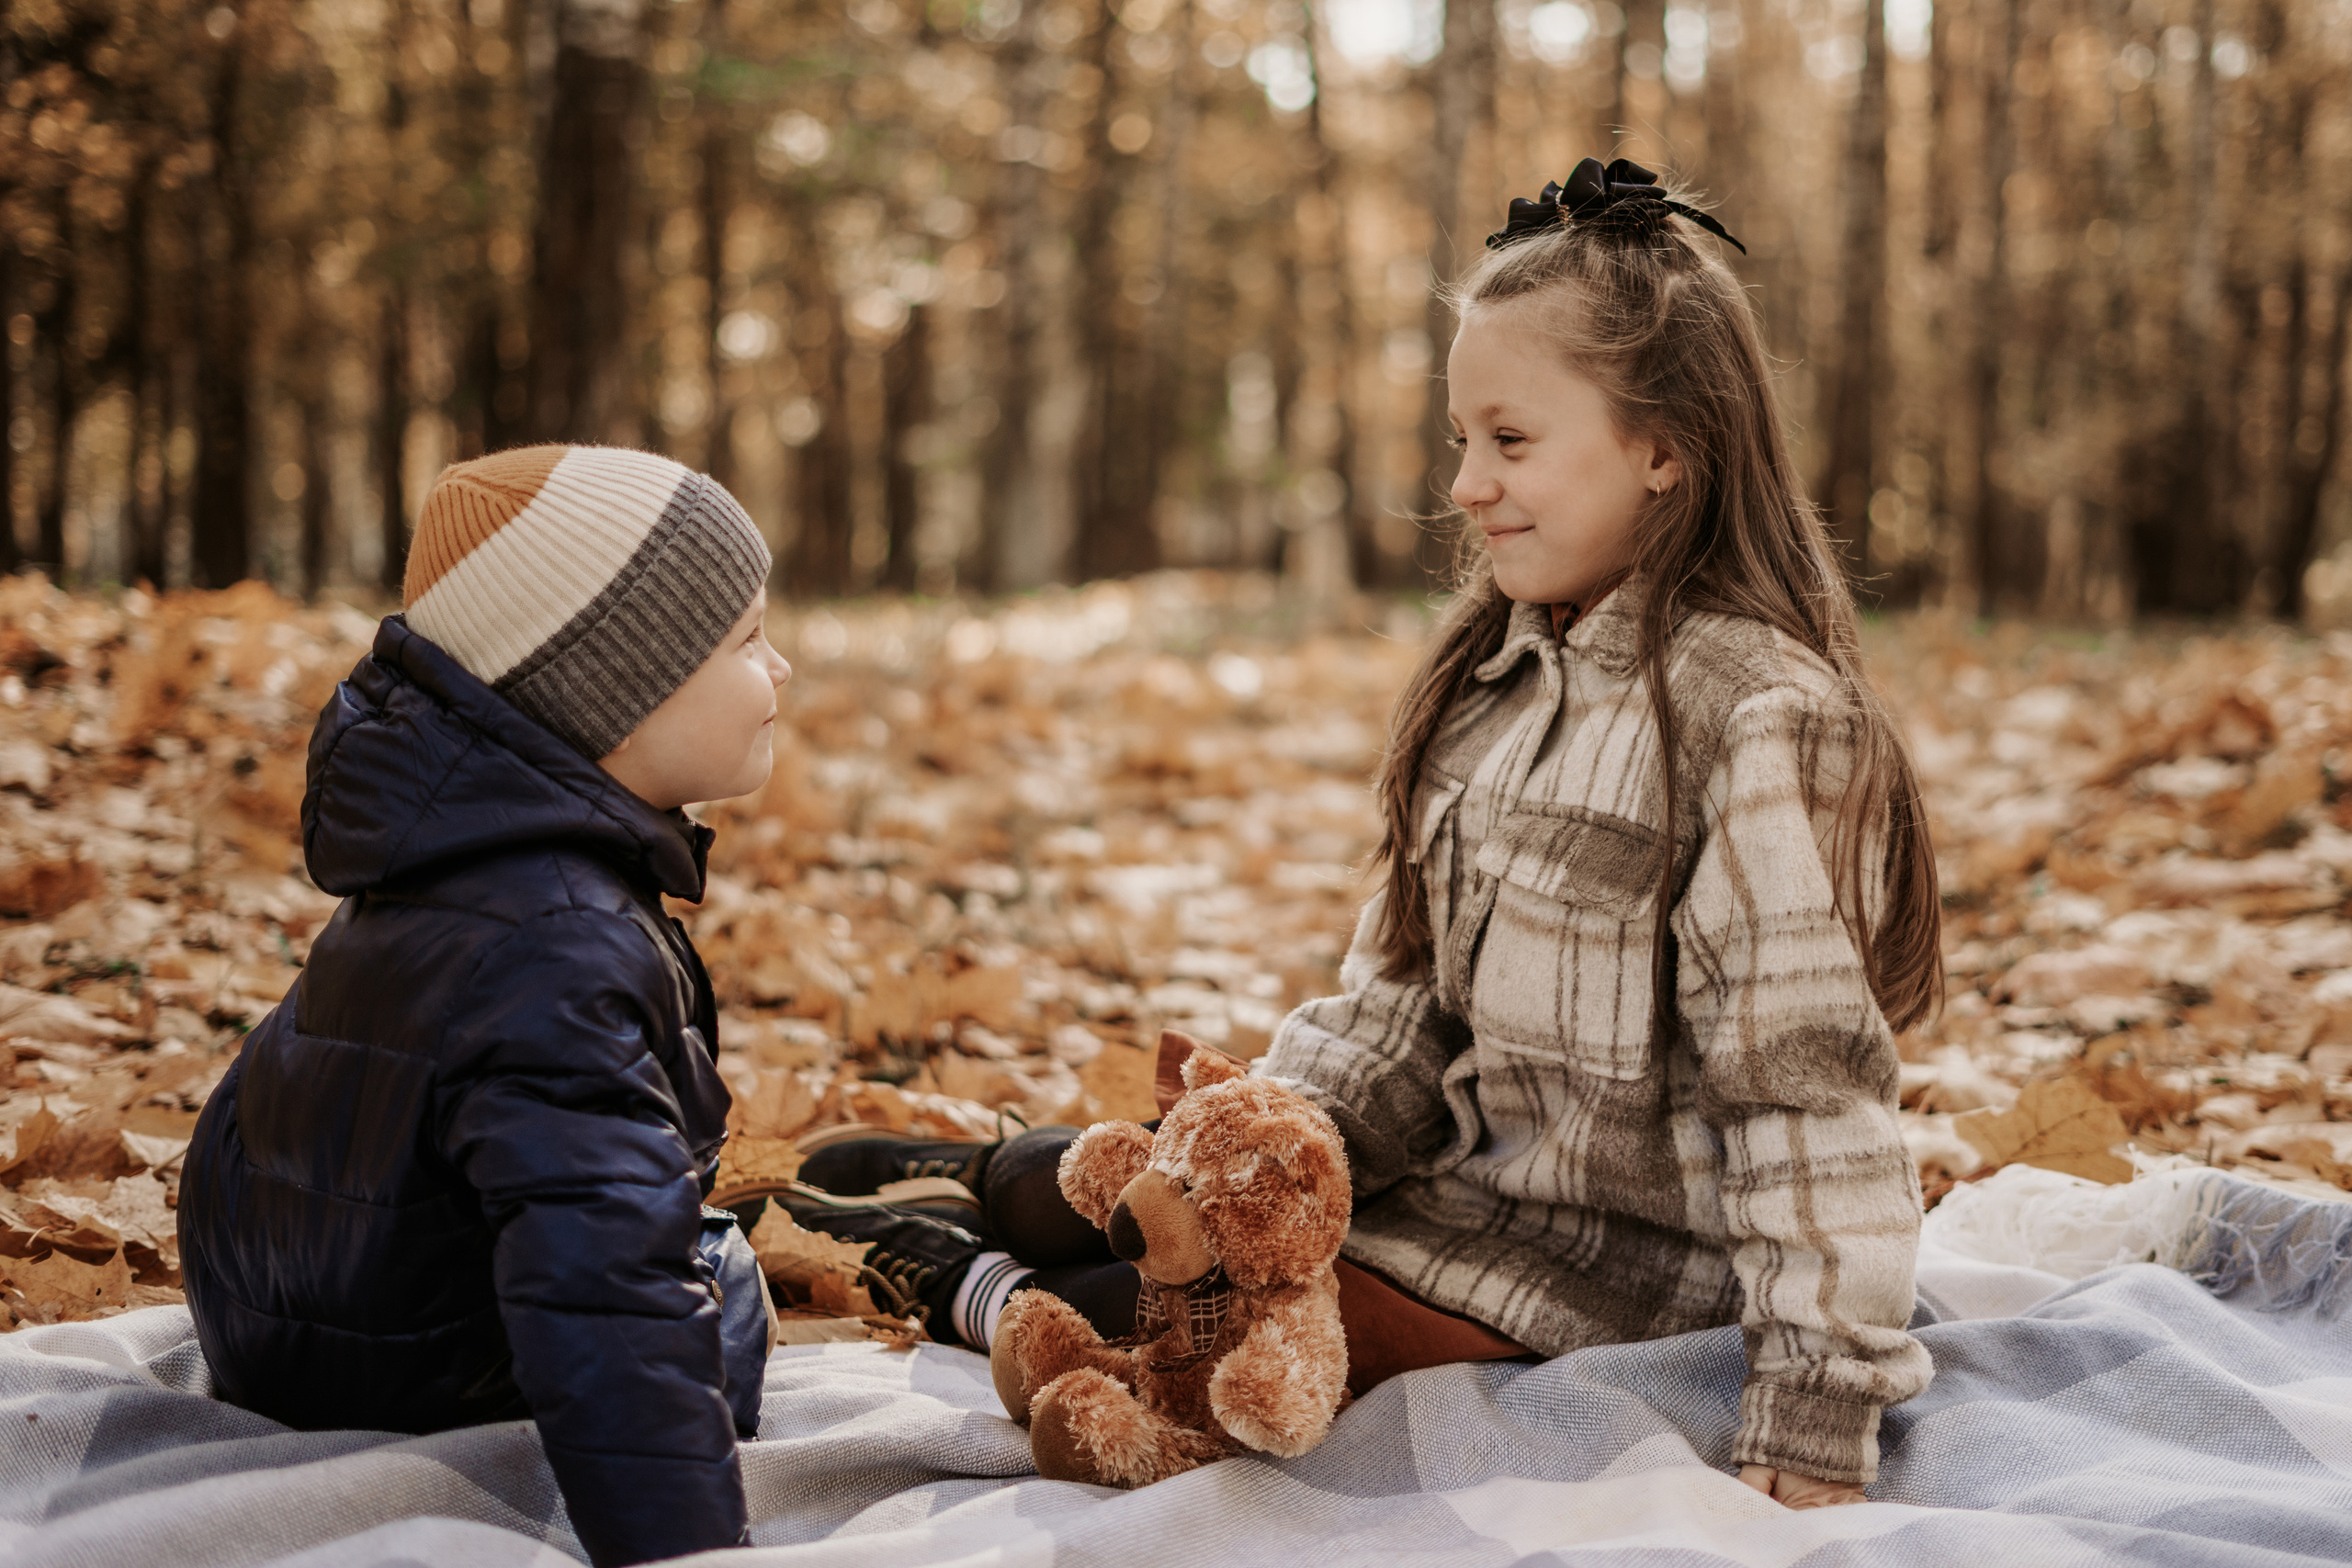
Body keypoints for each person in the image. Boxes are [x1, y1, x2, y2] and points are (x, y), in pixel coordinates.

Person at [784, 158, 1939, 1510]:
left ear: (1666, 447)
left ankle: (939, 1262)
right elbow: (1397, 996)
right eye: (1462, 440)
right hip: (1438, 1198)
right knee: (1158, 1200)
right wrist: (1289, 1139)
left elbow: (1807, 1101)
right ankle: (997, 1169)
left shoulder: (1757, 720)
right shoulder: (1492, 680)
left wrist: (1815, 1414)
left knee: (1166, 1327)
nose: (1466, 484)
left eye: (1510, 442)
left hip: (1593, 1279)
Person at [178, 445, 790, 1567]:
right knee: (719, 1279)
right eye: (747, 640)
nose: (782, 668)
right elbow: (609, 1295)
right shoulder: (563, 945)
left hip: (265, 1315)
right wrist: (684, 1550)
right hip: (402, 1372)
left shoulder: (456, 855)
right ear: (616, 689)